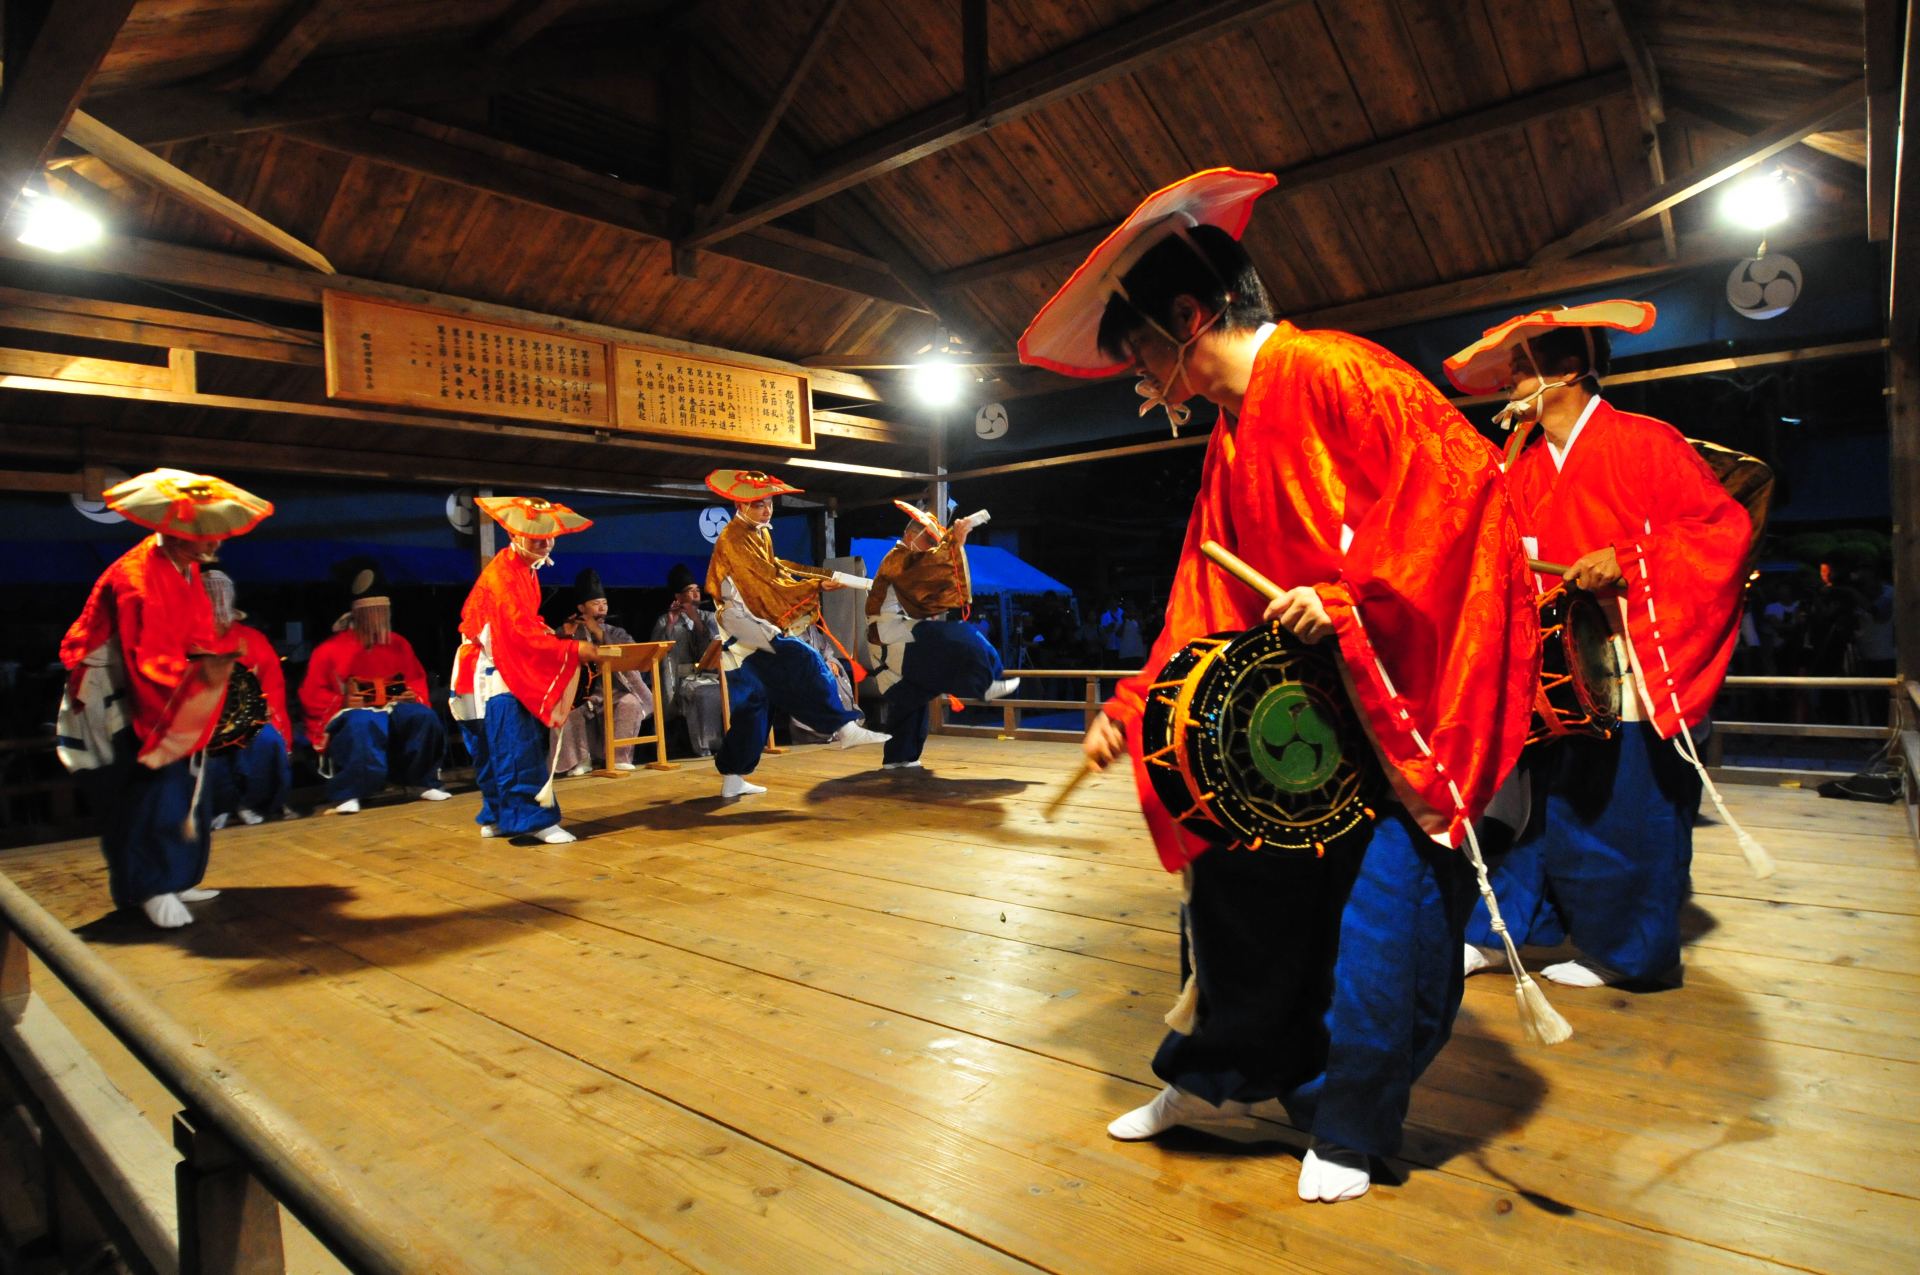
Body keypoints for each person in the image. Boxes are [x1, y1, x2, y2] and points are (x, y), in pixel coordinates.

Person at [1018, 169, 1542, 1201]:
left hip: (1393, 707)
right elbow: (1203, 593)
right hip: (1295, 722)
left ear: (1188, 316)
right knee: (1231, 880)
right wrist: (1138, 709)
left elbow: (1463, 499)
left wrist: (1350, 599)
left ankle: (1349, 1127)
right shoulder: (1230, 435)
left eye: (1139, 356)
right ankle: (1217, 1077)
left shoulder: (1339, 372)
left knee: (1378, 925)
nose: (1141, 381)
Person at [1444, 302, 1759, 989]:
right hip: (1548, 670)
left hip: (1628, 665)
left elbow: (1721, 532)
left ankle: (1626, 952)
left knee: (1624, 815)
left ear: (1567, 369)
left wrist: (1630, 555)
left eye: (1521, 367)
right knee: (1534, 811)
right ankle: (1512, 935)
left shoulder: (1646, 443)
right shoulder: (1519, 469)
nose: (1509, 381)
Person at [55, 469, 273, 928]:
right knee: (147, 788)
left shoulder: (186, 569)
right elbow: (148, 659)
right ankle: (147, 887)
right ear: (176, 531)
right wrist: (184, 708)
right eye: (203, 534)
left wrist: (209, 672)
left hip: (169, 683)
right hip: (120, 690)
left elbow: (194, 636)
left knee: (188, 786)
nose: (214, 543)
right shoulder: (137, 578)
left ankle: (178, 875)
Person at [703, 468, 887, 798]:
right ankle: (843, 726)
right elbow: (768, 581)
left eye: (770, 503)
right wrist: (816, 584)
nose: (767, 510)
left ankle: (733, 776)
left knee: (755, 704)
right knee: (805, 658)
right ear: (740, 506)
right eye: (759, 505)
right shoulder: (733, 539)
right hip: (742, 625)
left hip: (748, 626)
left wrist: (824, 575)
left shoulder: (758, 534)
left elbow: (778, 567)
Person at [452, 496, 597, 843]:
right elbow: (516, 632)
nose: (545, 544)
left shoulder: (520, 569)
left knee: (492, 749)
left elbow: (523, 623)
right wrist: (572, 648)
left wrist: (552, 633)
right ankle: (533, 821)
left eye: (549, 538)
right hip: (495, 665)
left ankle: (497, 815)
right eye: (537, 539)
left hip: (483, 665)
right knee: (516, 746)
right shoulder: (504, 574)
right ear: (515, 536)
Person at [866, 500, 1019, 769]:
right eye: (928, 540)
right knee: (961, 638)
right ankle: (985, 682)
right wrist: (953, 544)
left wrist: (951, 544)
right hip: (891, 633)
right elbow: (927, 570)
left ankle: (900, 756)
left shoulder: (905, 559)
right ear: (911, 535)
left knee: (914, 692)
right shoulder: (897, 558)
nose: (930, 547)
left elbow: (927, 578)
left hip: (893, 636)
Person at [299, 562, 447, 815]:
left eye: (383, 612)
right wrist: (343, 702)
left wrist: (414, 695)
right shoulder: (330, 650)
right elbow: (312, 694)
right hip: (354, 711)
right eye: (372, 613)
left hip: (394, 707)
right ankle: (350, 791)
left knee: (422, 716)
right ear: (357, 615)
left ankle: (421, 781)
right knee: (363, 721)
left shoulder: (398, 643)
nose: (378, 619)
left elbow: (415, 678)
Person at [199, 571, 296, 827]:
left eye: (222, 595)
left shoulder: (253, 640)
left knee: (267, 739)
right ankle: (217, 806)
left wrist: (261, 711)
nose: (217, 601)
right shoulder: (183, 639)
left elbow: (272, 684)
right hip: (201, 719)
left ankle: (251, 802)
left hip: (247, 716)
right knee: (209, 747)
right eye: (210, 595)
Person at [553, 568, 654, 775]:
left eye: (604, 603)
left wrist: (598, 633)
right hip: (582, 693)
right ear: (581, 607)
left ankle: (619, 757)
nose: (602, 607)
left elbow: (630, 653)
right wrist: (565, 637)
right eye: (595, 603)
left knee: (630, 703)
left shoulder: (615, 632)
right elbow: (552, 656)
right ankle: (580, 761)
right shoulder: (569, 631)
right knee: (566, 708)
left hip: (615, 691)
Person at [650, 564, 724, 756]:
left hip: (708, 673)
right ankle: (704, 747)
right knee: (700, 694)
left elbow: (714, 645)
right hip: (680, 677)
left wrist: (696, 621)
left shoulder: (709, 617)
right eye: (689, 591)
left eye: (697, 590)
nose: (696, 594)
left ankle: (720, 742)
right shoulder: (665, 621)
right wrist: (671, 626)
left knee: (717, 691)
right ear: (678, 597)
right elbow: (657, 652)